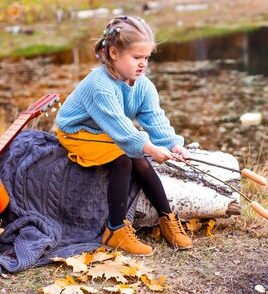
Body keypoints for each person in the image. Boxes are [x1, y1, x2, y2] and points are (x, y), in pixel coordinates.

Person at [56, 15, 192, 255]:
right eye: (136, 57)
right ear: (114, 53)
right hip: (79, 132)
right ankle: (115, 230)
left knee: (138, 157)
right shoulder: (100, 86)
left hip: (106, 131)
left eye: (147, 57)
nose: (143, 64)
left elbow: (154, 119)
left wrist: (172, 144)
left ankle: (167, 219)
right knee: (123, 159)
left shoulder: (143, 86)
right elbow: (121, 129)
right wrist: (149, 148)